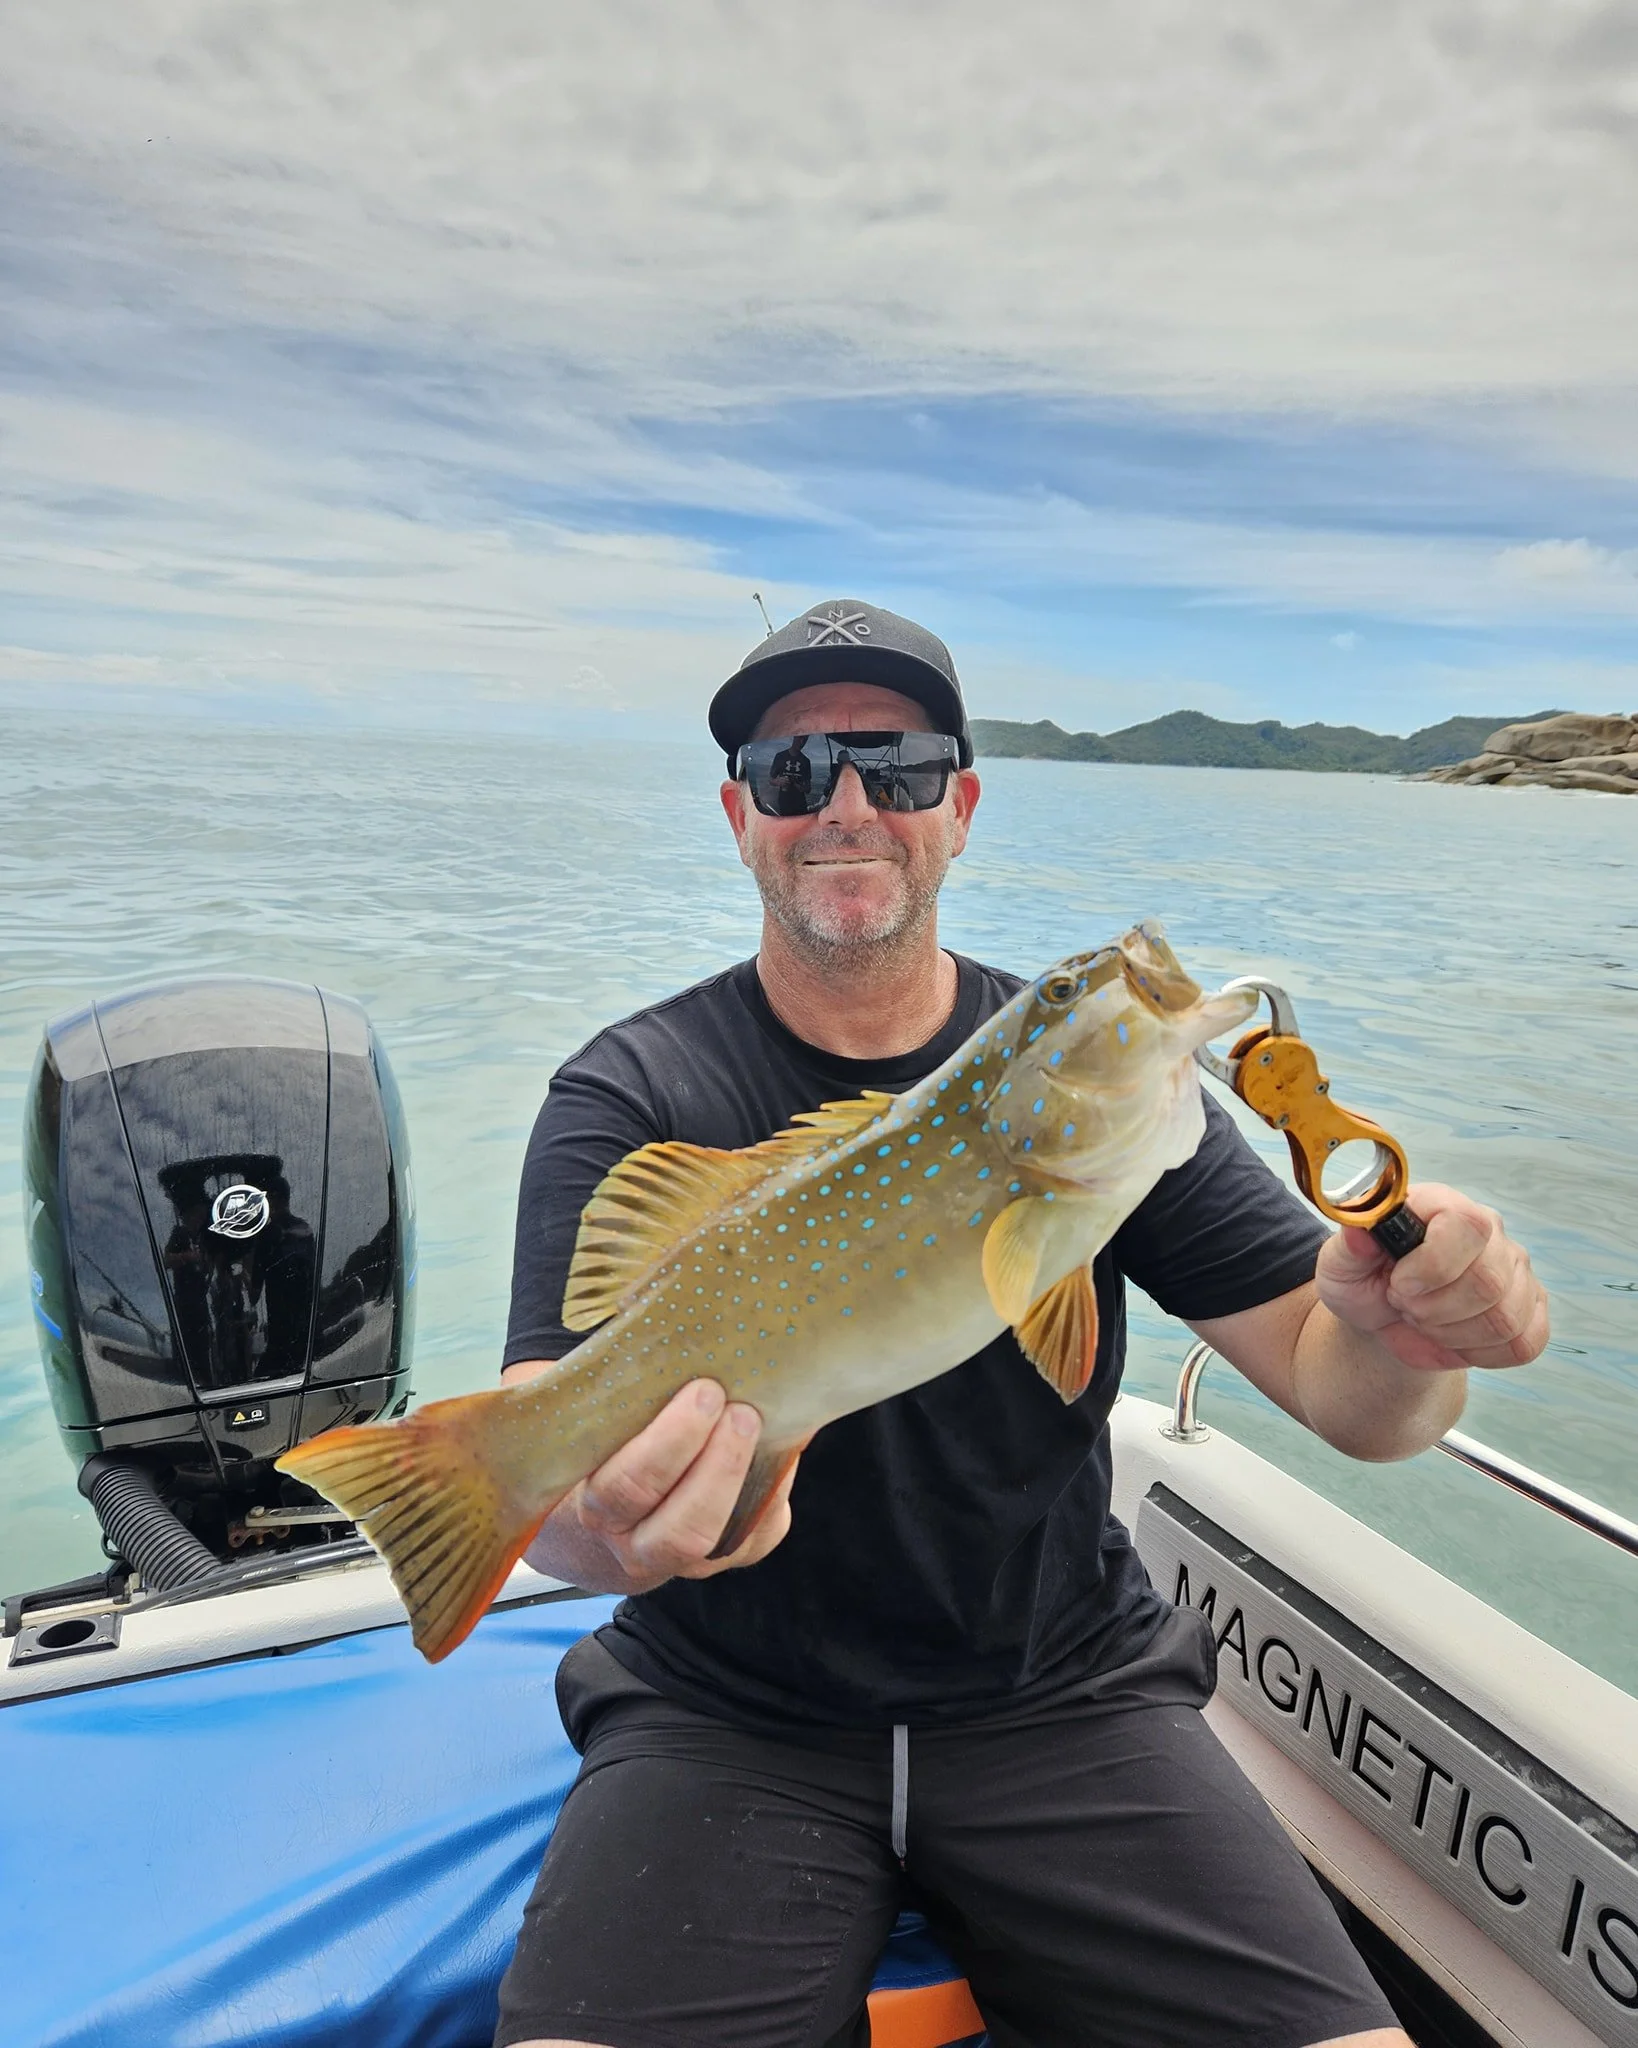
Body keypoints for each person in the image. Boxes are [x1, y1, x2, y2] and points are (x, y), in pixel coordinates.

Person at [494, 599, 1548, 2048]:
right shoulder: (625, 1094)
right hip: (727, 1707)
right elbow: (545, 1494)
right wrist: (612, 1525)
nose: (848, 806)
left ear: (960, 808)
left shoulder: (1110, 1110)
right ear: (740, 814)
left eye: (900, 765)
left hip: (1071, 1692)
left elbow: (1356, 1405)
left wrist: (1405, 1336)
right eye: (796, 774)